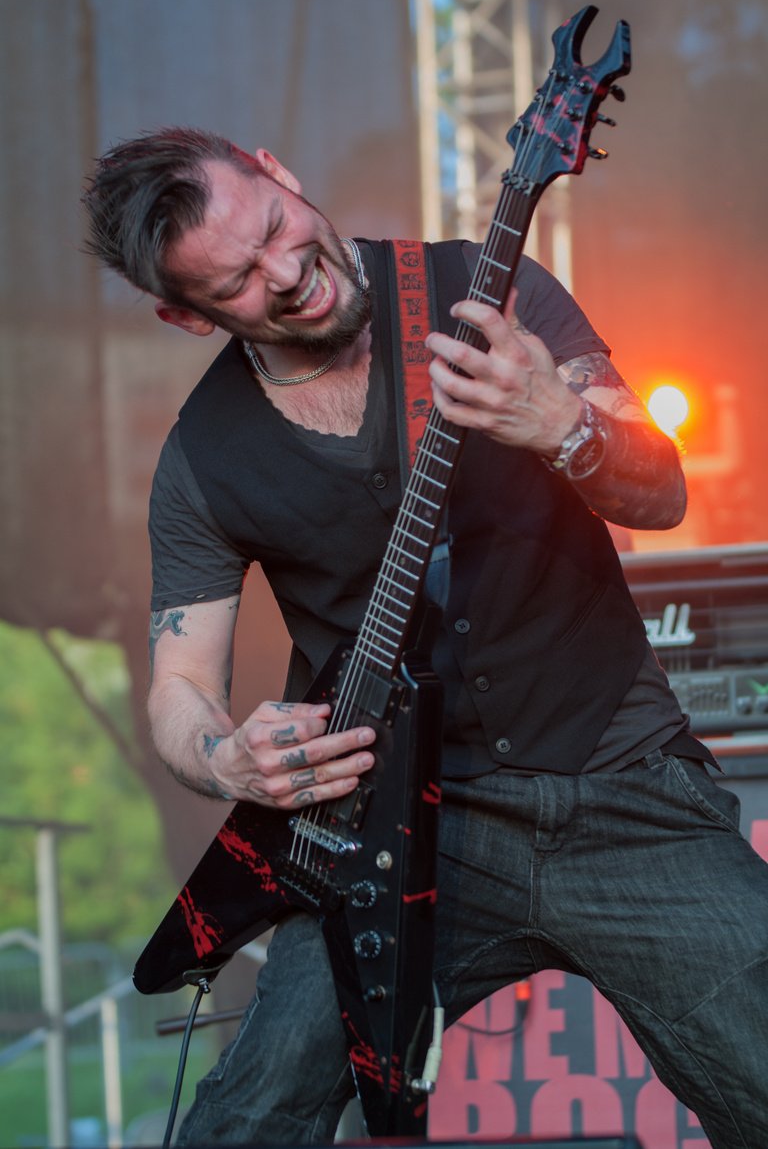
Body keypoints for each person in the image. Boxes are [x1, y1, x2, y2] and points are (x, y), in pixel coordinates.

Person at [83, 127, 768, 1149]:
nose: (287, 274)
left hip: (621, 778)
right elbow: (178, 686)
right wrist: (226, 756)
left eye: (274, 227)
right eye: (238, 282)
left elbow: (660, 491)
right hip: (395, 826)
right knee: (249, 1117)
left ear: (278, 170)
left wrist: (560, 423)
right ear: (186, 316)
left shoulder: (484, 292)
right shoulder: (202, 456)